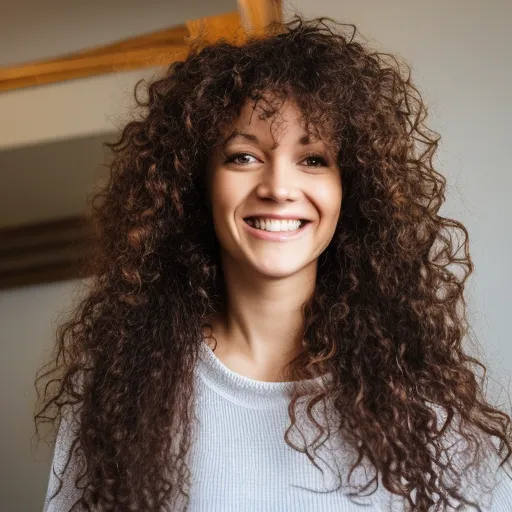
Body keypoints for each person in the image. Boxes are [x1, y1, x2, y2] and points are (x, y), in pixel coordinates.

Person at [35, 14, 512, 512]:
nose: (279, 188)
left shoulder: (423, 409)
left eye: (313, 159)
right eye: (243, 156)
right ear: (196, 184)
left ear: (353, 190)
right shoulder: (119, 394)